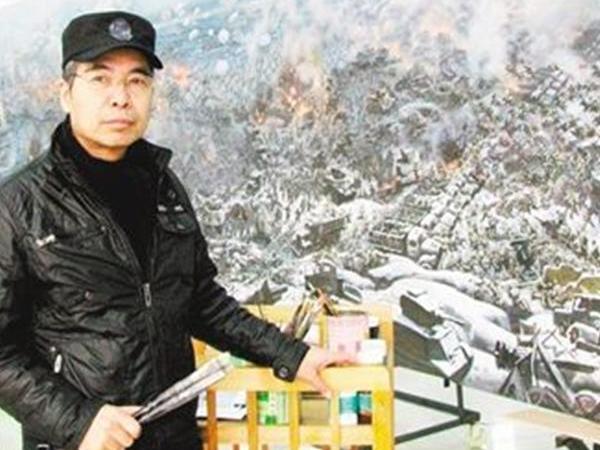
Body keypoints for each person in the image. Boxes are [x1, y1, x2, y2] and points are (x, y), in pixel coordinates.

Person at [0, 10, 352, 450]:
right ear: (66, 93)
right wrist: (79, 421)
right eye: (100, 79)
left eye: (137, 81)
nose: (120, 97)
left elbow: (200, 301)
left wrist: (291, 355)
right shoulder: (18, 205)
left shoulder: (162, 186)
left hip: (174, 436)